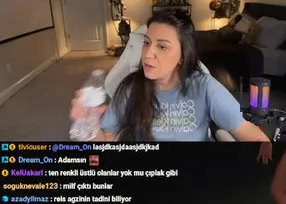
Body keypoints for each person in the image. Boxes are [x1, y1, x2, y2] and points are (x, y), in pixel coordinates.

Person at [72, 12, 269, 142]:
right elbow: (106, 139)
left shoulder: (205, 87)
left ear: (182, 56)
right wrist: (88, 123)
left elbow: (252, 135)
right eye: (147, 43)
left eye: (162, 46)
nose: (148, 54)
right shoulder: (131, 87)